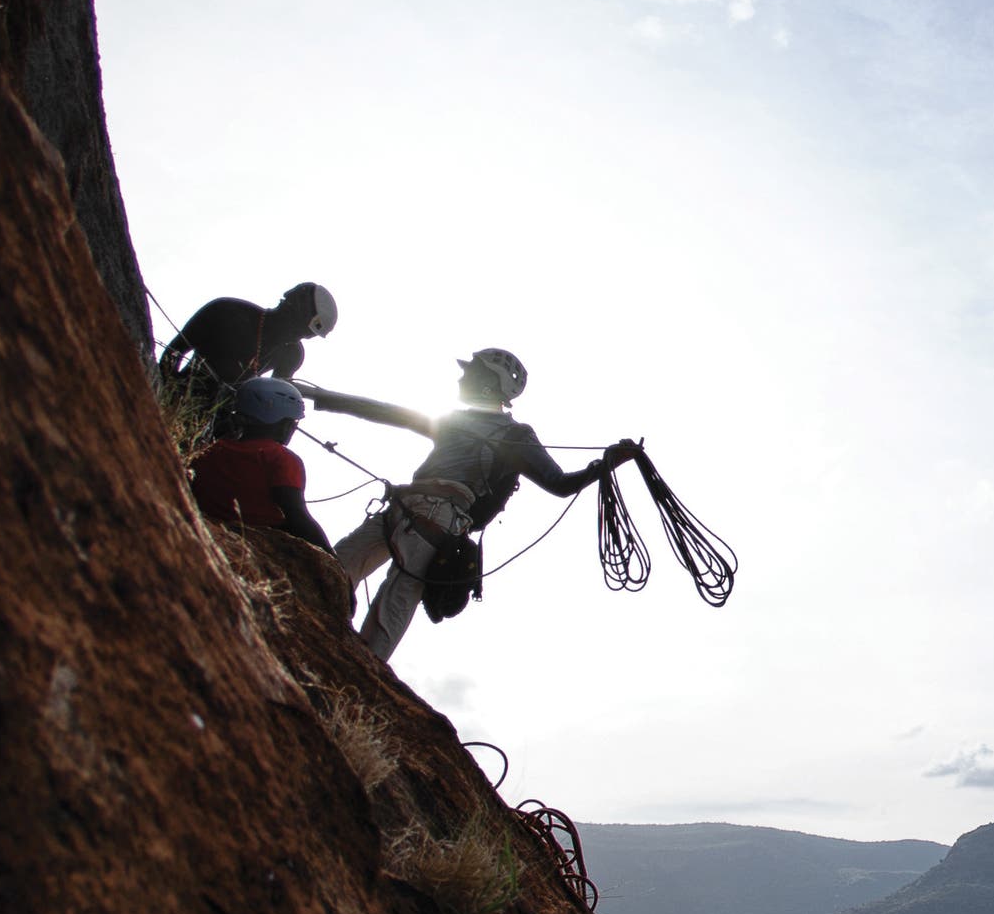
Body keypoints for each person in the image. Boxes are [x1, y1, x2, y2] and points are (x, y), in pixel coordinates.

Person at [304, 347, 637, 662]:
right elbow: (388, 412)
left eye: (472, 373)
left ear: (491, 383)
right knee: (333, 572)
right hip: (412, 512)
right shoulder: (457, 421)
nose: (461, 379)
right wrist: (319, 397)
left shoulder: (512, 434)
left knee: (382, 609)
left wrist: (605, 465)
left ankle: (353, 681)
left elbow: (559, 484)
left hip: (434, 520)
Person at [157, 283, 338, 428]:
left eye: (307, 335)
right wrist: (165, 397)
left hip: (217, 422)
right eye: (302, 330)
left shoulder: (290, 354)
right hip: (175, 400)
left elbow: (276, 406)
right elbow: (173, 353)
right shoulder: (226, 312)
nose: (301, 337)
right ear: (290, 309)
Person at [186, 376, 333, 551]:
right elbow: (297, 517)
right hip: (257, 541)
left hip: (204, 525)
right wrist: (334, 560)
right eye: (293, 422)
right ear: (284, 424)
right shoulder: (281, 459)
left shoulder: (210, 449)